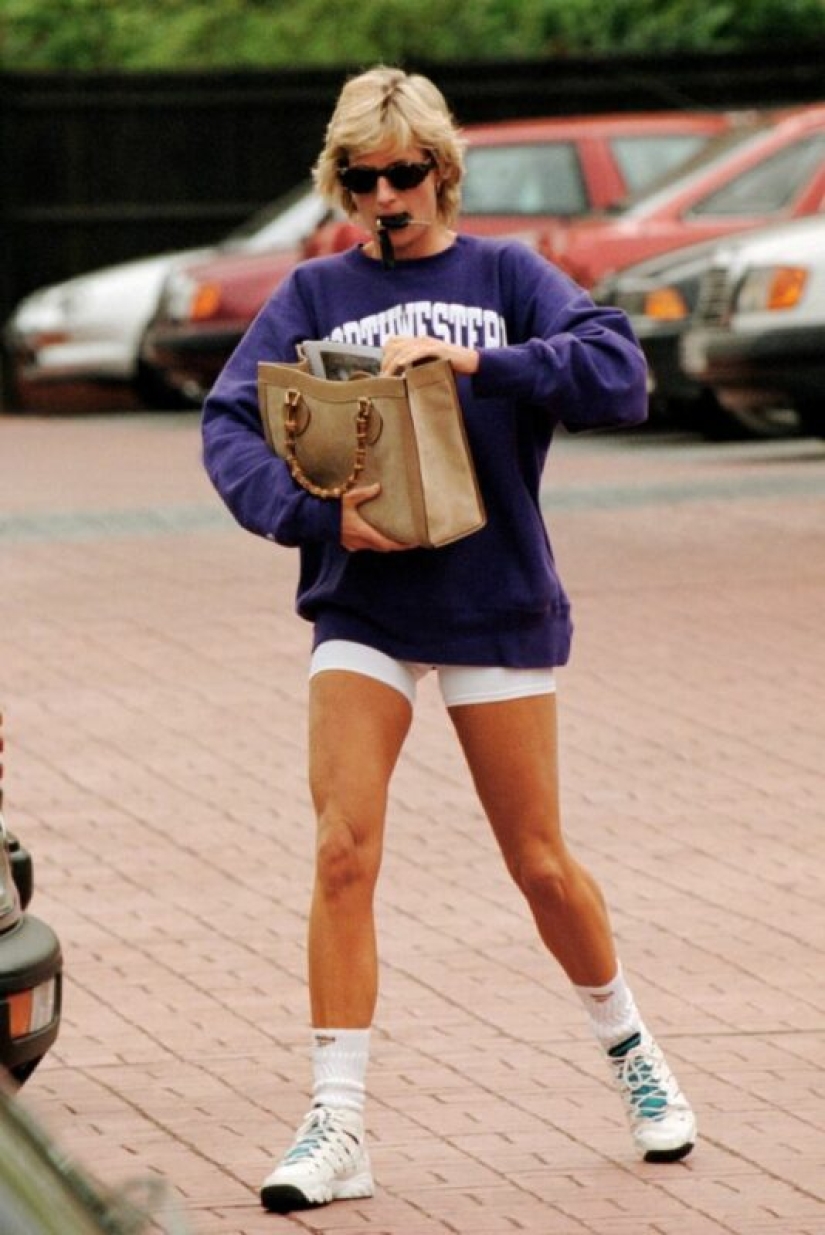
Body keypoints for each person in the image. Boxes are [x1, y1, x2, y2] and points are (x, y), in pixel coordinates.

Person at [201, 65, 696, 1215]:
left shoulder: (508, 276)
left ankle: (633, 1051)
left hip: (493, 600)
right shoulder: (314, 292)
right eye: (361, 177)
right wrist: (314, 517)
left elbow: (621, 374)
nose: (385, 195)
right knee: (342, 846)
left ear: (442, 170)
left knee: (540, 862)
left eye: (405, 172)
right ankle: (338, 1122)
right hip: (364, 603)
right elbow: (229, 422)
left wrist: (484, 361)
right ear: (341, 184)